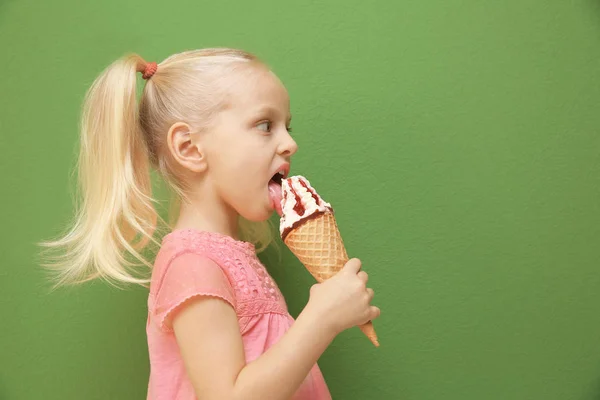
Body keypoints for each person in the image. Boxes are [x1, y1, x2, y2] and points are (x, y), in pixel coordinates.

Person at [41, 48, 380, 400]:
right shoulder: (192, 264)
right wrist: (320, 320)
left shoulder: (225, 256)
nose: (291, 143)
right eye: (265, 125)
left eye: (287, 126)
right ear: (189, 148)